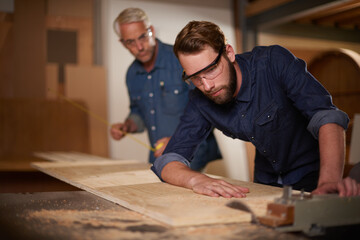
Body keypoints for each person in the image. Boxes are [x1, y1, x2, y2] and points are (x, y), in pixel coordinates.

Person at [152, 20, 360, 197]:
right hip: (264, 182)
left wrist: (328, 181)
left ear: (229, 53)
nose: (207, 86)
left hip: (313, 175)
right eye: (195, 77)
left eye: (211, 70)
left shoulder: (273, 62)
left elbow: (326, 116)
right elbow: (169, 160)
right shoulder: (200, 99)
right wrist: (196, 180)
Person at [110, 9, 221, 170]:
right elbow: (139, 112)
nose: (139, 47)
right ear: (122, 43)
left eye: (142, 37)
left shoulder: (180, 59)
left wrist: (178, 140)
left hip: (195, 156)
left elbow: (211, 107)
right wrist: (127, 126)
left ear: (152, 31)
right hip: (159, 158)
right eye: (130, 42)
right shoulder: (132, 74)